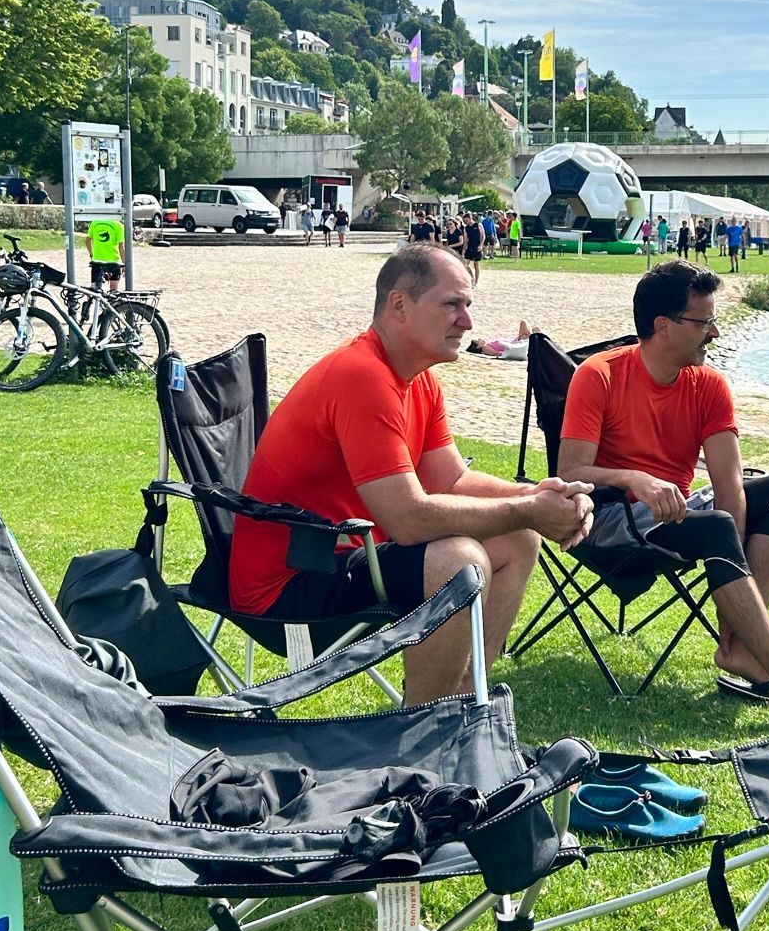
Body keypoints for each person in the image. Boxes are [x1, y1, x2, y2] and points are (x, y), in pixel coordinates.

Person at [229, 245, 594, 703]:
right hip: (289, 584)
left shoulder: (417, 378)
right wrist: (528, 509)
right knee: (457, 560)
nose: (467, 322)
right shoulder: (362, 375)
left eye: (468, 305)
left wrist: (538, 496)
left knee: (518, 538)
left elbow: (452, 481)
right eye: (452, 304)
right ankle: (420, 727)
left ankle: (462, 705)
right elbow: (409, 520)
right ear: (400, 305)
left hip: (348, 556)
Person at [557, 259, 769, 727]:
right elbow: (570, 471)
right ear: (663, 326)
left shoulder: (709, 385)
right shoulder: (599, 374)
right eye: (703, 322)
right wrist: (635, 479)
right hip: (608, 516)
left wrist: (734, 607)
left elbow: (729, 486)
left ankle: (739, 647)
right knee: (714, 526)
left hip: (680, 512)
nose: (714, 332)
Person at [85, 215, 124, 289]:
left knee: (95, 290)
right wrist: (124, 264)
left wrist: (92, 254)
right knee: (113, 291)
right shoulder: (118, 225)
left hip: (97, 261)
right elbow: (121, 247)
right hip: (114, 261)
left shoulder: (95, 222)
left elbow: (87, 242)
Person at [468, 320, 534, 360]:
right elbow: (497, 353)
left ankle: (533, 339)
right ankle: (533, 339)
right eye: (478, 341)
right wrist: (511, 352)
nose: (480, 339)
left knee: (535, 329)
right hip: (517, 343)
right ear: (478, 347)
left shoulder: (487, 345)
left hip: (517, 341)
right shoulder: (485, 348)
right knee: (523, 323)